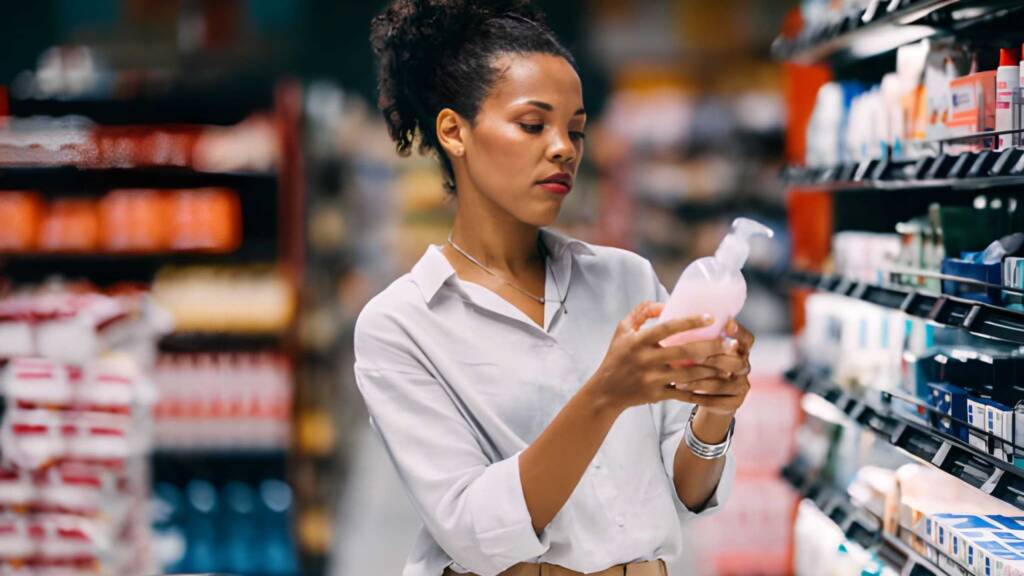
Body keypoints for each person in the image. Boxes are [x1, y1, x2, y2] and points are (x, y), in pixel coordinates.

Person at [354, 1, 755, 575]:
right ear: (454, 132)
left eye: (576, 129)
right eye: (533, 124)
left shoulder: (628, 279)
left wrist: (715, 412)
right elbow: (474, 531)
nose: (564, 147)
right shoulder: (402, 324)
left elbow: (688, 493)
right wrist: (606, 394)